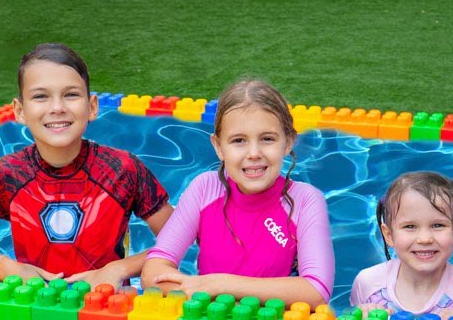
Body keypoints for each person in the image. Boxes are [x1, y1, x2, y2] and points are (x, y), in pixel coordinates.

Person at [0, 43, 173, 287]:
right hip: (35, 308)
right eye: (40, 96)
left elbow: (177, 240)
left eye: (71, 94)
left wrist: (119, 269)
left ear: (92, 107)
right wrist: (7, 266)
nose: (57, 108)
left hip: (108, 310)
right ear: (19, 111)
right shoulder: (10, 174)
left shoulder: (122, 169)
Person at [141, 79, 334, 308]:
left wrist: (222, 285)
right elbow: (152, 271)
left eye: (267, 139)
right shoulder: (205, 189)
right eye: (239, 141)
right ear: (219, 147)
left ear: (288, 142)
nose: (254, 153)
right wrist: (200, 293)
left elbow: (316, 290)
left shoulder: (305, 200)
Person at [350, 172, 453, 320]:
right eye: (410, 226)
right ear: (389, 235)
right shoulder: (368, 284)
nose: (425, 239)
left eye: (438, 225)